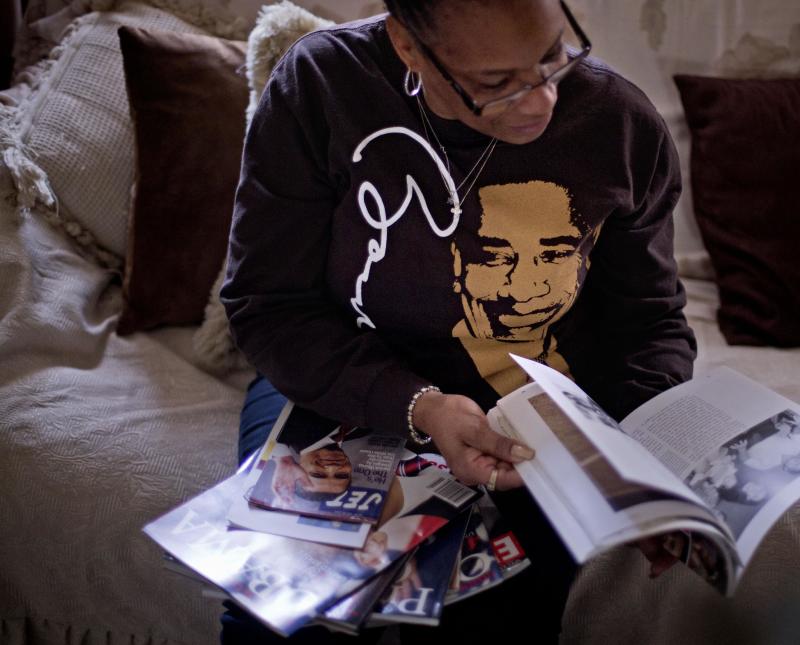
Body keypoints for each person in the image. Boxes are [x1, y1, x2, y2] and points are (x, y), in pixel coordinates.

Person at [219, 0, 696, 642]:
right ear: (408, 46)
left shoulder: (620, 124)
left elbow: (648, 324)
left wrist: (637, 468)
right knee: (280, 614)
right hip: (336, 376)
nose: (540, 102)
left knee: (495, 614)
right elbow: (267, 303)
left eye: (553, 54)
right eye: (495, 84)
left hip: (530, 406)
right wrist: (419, 407)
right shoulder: (323, 84)